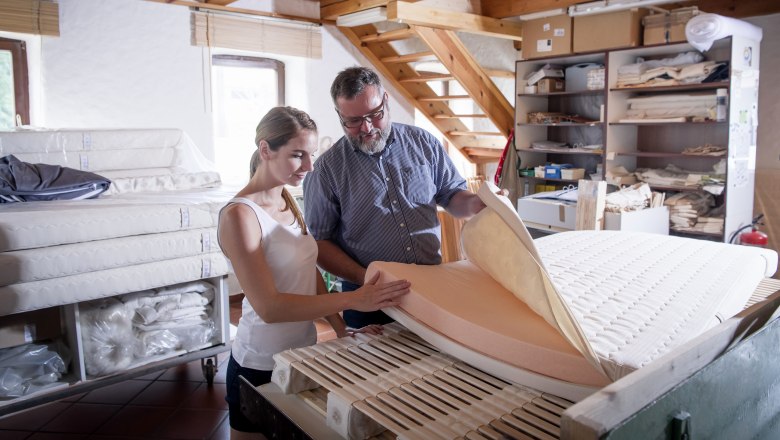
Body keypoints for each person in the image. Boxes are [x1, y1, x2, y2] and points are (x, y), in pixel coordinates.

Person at [217, 106, 410, 439]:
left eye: (311, 155)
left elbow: (310, 275)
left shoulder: (288, 200)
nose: (309, 166)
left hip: (301, 354)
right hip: (257, 362)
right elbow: (270, 308)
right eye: (297, 155)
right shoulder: (240, 216)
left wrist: (341, 328)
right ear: (265, 150)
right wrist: (357, 298)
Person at [303, 67, 490, 329]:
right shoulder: (326, 171)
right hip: (369, 299)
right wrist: (368, 278)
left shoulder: (424, 143)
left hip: (431, 288)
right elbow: (320, 243)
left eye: (374, 114)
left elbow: (451, 196)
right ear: (339, 116)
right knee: (373, 369)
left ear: (386, 101)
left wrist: (477, 203)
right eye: (353, 121)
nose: (367, 128)